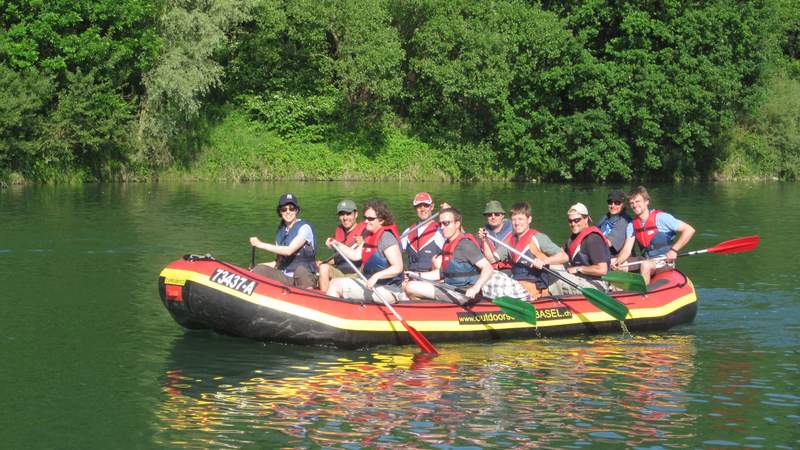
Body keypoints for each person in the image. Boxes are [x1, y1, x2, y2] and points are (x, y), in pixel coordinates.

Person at [402, 208, 494, 303]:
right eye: (440, 224)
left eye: (446, 223)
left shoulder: (465, 245)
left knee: (410, 287)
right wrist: (416, 275)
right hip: (450, 288)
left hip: (464, 293)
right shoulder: (447, 244)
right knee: (408, 286)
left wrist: (475, 288)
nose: (442, 227)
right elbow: (440, 274)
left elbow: (488, 268)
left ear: (457, 224)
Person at [480, 201, 566, 299]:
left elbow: (564, 257)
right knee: (488, 274)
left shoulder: (538, 238)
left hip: (534, 289)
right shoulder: (510, 242)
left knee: (492, 278)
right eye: (514, 220)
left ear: (529, 219)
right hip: (517, 284)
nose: (517, 223)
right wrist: (485, 241)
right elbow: (491, 259)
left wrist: (544, 261)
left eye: (520, 219)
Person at [613, 186, 696, 285]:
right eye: (632, 203)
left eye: (638, 201)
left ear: (647, 201)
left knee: (646, 265)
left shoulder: (661, 218)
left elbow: (689, 230)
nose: (635, 205)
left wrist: (674, 250)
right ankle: (618, 293)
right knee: (614, 262)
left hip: (664, 261)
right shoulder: (632, 225)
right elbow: (627, 249)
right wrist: (618, 262)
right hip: (646, 260)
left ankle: (644, 295)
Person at [327, 199, 404, 303]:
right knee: (335, 282)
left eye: (371, 219)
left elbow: (398, 267)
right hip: (372, 285)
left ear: (381, 220)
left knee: (335, 284)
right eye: (365, 218)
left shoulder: (387, 238)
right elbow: (355, 255)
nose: (366, 221)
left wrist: (376, 276)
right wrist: (337, 244)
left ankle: (330, 314)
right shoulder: (368, 235)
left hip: (389, 290)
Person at [541, 203, 612, 295]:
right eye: (570, 221)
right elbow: (563, 256)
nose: (573, 224)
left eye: (577, 220)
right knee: (548, 268)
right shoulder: (573, 238)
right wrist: (544, 260)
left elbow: (602, 269)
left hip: (596, 285)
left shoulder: (593, 239)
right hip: (581, 278)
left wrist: (579, 269)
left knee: (554, 276)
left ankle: (542, 302)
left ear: (586, 219)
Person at [249, 193, 318, 288]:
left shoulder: (304, 228)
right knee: (259, 269)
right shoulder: (280, 233)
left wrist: (261, 244)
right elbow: (278, 263)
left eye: (291, 208)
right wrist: (257, 265)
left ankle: (309, 298)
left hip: (306, 277)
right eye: (284, 209)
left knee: (300, 271)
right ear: (280, 212)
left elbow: (289, 250)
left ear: (296, 210)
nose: (288, 212)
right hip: (286, 277)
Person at [318, 199, 368, 292]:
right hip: (341, 271)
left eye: (348, 214)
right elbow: (338, 258)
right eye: (342, 214)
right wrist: (324, 263)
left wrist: (363, 244)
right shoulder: (339, 231)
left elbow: (370, 254)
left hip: (357, 273)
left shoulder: (365, 231)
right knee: (323, 267)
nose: (345, 218)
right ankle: (325, 299)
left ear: (355, 214)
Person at [401, 191, 445, 272]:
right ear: (415, 209)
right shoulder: (408, 232)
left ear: (432, 207)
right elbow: (394, 252)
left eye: (426, 205)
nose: (422, 209)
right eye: (419, 206)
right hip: (411, 275)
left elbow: (460, 240)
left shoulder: (442, 230)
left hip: (433, 277)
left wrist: (451, 212)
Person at [477, 200, 513, 273]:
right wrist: (484, 241)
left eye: (496, 214)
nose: (493, 217)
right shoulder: (482, 233)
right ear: (486, 217)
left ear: (502, 215)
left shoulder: (514, 229)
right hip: (491, 270)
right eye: (489, 215)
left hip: (510, 269)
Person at [597, 189, 632, 257]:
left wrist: (589, 244)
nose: (613, 206)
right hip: (600, 253)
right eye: (610, 202)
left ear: (623, 205)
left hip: (614, 257)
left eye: (617, 203)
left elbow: (608, 243)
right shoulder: (605, 217)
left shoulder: (624, 221)